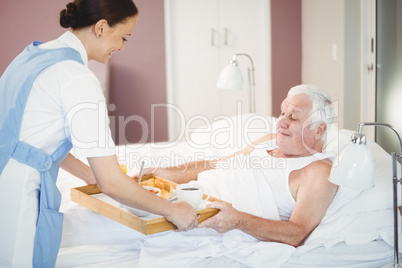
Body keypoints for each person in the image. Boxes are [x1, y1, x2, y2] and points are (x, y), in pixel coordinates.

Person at [0, 1, 197, 267]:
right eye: (124, 37)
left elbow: (30, 143)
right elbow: (112, 184)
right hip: (16, 194)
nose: (123, 47)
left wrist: (88, 173)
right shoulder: (77, 78)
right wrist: (174, 211)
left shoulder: (33, 54)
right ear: (101, 27)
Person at [143, 85, 338, 247]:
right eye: (282, 113)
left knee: (137, 234)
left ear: (319, 129)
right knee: (131, 207)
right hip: (191, 200)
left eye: (293, 118)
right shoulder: (267, 141)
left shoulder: (318, 172)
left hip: (211, 224)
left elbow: (297, 234)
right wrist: (164, 173)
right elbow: (217, 164)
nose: (281, 122)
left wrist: (238, 221)